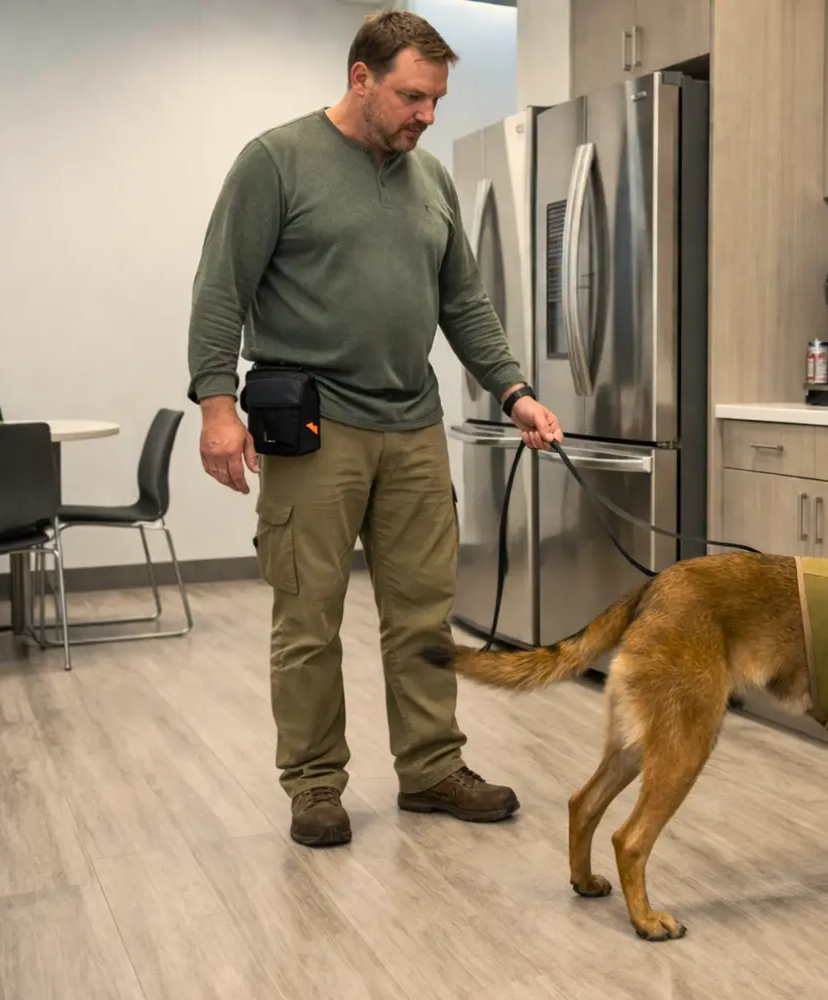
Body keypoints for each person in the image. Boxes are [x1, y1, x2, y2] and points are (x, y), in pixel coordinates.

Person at [185, 10, 561, 848]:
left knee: (425, 614)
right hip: (315, 427)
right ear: (361, 79)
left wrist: (513, 390)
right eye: (412, 97)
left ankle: (431, 769)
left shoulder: (431, 181)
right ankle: (315, 782)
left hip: (414, 423)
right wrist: (216, 404)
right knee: (308, 616)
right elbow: (220, 291)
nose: (427, 115)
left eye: (435, 99)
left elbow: (462, 300)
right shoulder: (276, 160)